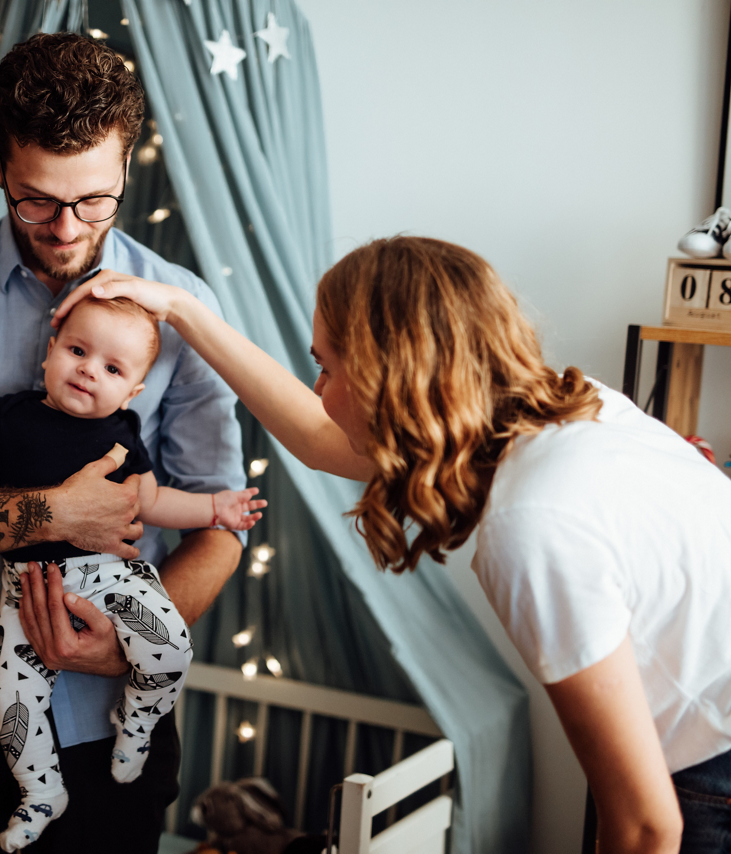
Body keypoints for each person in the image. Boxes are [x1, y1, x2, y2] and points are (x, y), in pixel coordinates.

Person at [55, 236, 731, 854]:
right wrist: (180, 309)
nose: (319, 394)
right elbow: (323, 440)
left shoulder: (532, 524)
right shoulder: (577, 407)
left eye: (325, 368)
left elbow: (647, 825)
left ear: (386, 379)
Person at [0, 32, 249, 853]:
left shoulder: (184, 308)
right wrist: (54, 514)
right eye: (38, 199)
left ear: (126, 165)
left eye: (95, 200)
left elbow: (222, 528)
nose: (68, 228)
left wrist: (130, 644)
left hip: (113, 732)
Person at [0, 297, 265, 851]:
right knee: (12, 696)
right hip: (29, 587)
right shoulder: (11, 415)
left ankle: (139, 718)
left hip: (110, 577)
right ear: (50, 352)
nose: (88, 369)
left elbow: (151, 501)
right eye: (77, 351)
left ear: (133, 393)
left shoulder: (122, 434)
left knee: (172, 649)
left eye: (112, 368)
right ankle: (41, 790)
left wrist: (214, 510)